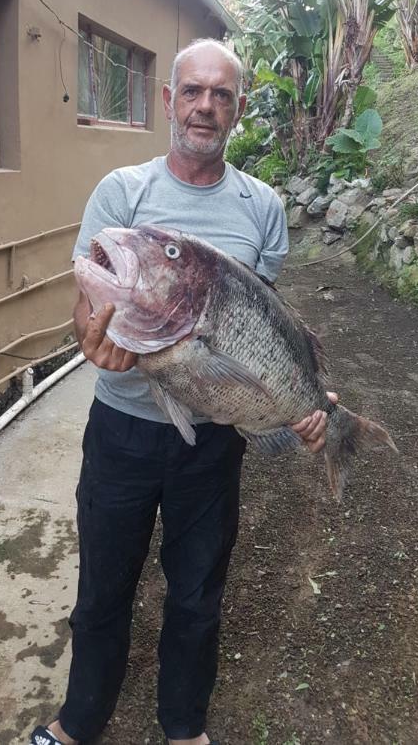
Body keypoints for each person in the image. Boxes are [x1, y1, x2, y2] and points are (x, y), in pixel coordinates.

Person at [31, 40, 337, 745]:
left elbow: (267, 327)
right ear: (169, 101)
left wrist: (300, 406)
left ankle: (183, 726)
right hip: (123, 434)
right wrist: (91, 340)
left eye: (222, 95)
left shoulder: (261, 208)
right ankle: (79, 720)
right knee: (103, 586)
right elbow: (88, 292)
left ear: (236, 109)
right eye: (192, 91)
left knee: (197, 591)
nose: (206, 106)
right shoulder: (123, 193)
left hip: (212, 443)